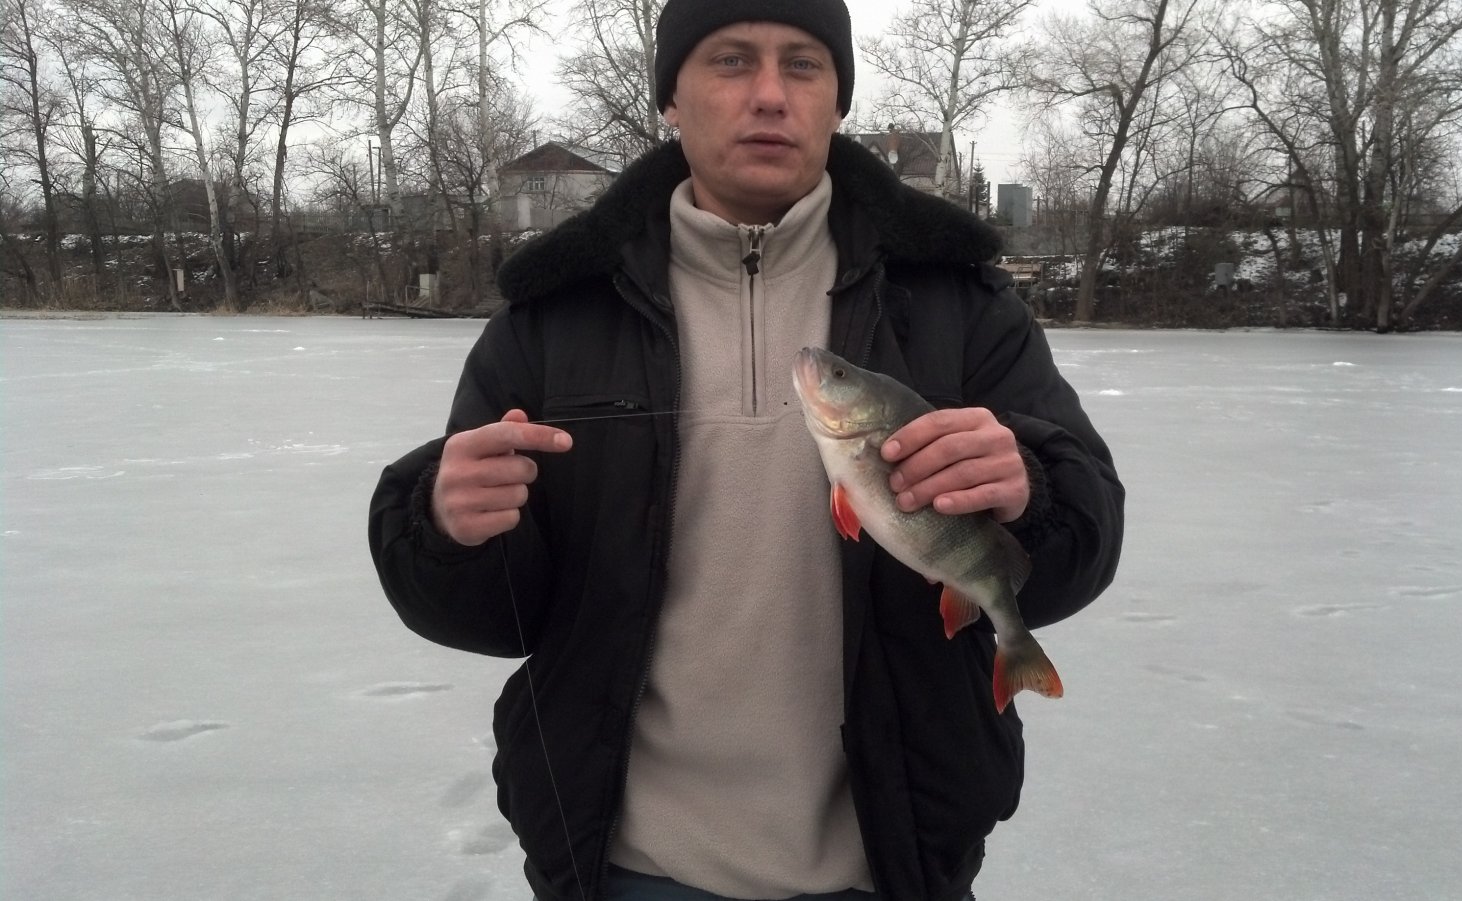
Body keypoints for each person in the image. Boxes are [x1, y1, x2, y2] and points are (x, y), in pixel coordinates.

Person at [367, 0, 1125, 898]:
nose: (770, 94)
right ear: (671, 98)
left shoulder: (959, 303)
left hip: (894, 859)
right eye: (730, 61)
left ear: (838, 99)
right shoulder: (553, 316)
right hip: (628, 862)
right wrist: (449, 529)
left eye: (802, 64)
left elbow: (1082, 543)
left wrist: (1028, 492)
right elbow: (497, 615)